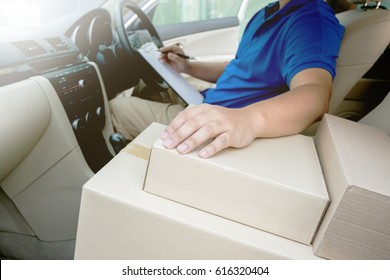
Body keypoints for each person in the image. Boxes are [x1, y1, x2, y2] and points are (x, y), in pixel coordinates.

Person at [110, 0, 345, 158]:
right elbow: (241, 67)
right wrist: (187, 66)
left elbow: (314, 93)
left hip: (219, 117)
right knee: (147, 84)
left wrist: (248, 120)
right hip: (206, 99)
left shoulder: (311, 23)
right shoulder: (267, 13)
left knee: (115, 108)